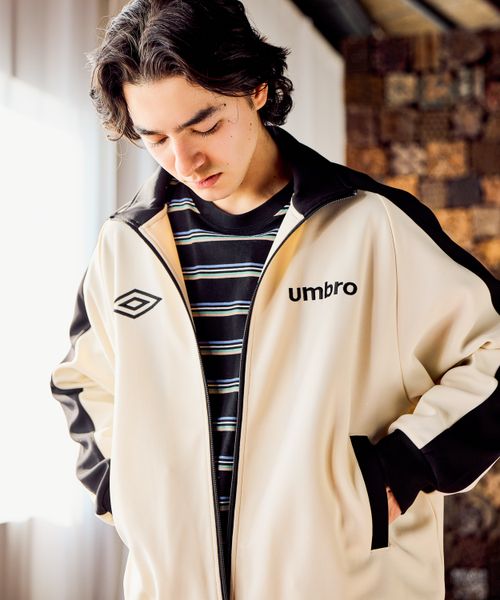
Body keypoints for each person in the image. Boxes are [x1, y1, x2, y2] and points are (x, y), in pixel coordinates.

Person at [50, 0, 500, 598]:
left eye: (205, 125)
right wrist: (123, 490)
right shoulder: (125, 245)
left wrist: (403, 468)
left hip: (342, 581)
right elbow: (82, 383)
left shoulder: (374, 225)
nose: (185, 161)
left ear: (256, 89)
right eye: (155, 138)